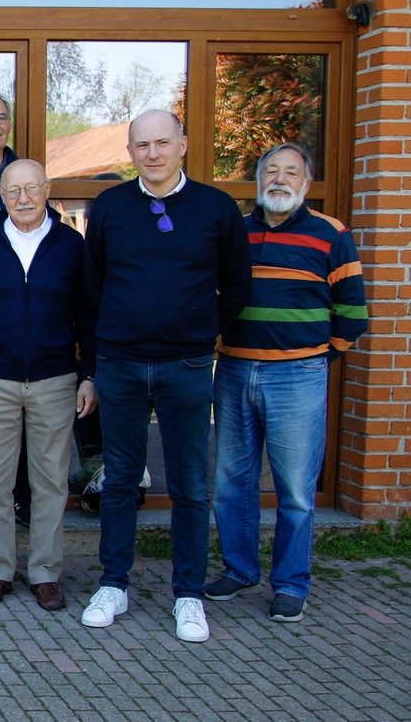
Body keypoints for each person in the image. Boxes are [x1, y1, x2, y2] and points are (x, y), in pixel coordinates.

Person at [80, 110, 251, 643]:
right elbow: (93, 288)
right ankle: (114, 584)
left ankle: (189, 595)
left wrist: (199, 333)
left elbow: (237, 286)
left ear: (182, 143)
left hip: (188, 366)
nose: (151, 154)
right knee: (120, 480)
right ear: (129, 151)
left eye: (161, 143)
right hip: (122, 365)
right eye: (141, 145)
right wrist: (100, 356)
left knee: (189, 486)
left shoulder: (217, 208)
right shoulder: (109, 207)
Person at [207, 143, 366, 623]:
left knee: (295, 488)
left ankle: (291, 583)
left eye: (290, 172)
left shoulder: (331, 234)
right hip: (234, 368)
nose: (279, 179)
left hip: (298, 375)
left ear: (307, 182)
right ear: (257, 180)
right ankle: (239, 570)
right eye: (270, 171)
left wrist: (315, 359)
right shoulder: (235, 230)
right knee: (232, 482)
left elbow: (353, 314)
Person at [0, 159, 97, 611]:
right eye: (13, 192)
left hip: (55, 379)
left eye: (31, 189)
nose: (23, 199)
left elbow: (90, 315)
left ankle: (45, 572)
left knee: (50, 481)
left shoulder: (72, 246)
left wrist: (89, 374)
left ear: (47, 189)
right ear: (2, 196)